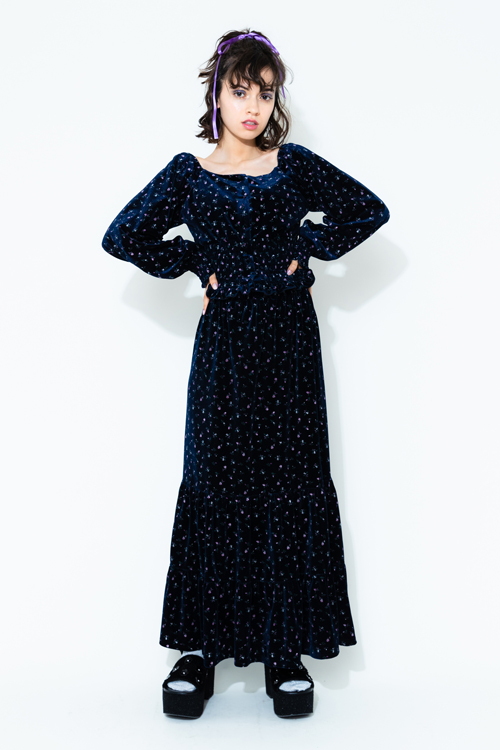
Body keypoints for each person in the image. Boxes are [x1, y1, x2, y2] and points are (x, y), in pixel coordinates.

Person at [101, 28, 390, 719]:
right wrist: (195, 262)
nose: (254, 106)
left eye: (265, 92)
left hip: (289, 345)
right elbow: (122, 235)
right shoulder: (188, 174)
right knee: (215, 479)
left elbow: (369, 210)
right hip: (225, 348)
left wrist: (307, 244)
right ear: (217, 95)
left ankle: (284, 649)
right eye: (240, 91)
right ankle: (200, 650)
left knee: (288, 478)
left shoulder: (293, 167)